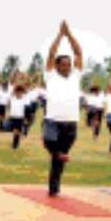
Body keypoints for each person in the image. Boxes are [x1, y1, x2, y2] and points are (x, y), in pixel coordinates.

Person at [42, 20, 83, 197]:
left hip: (71, 122)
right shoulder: (50, 76)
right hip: (53, 121)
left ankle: (54, 189)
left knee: (59, 160)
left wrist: (69, 34)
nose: (66, 67)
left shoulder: (76, 76)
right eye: (63, 64)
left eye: (68, 64)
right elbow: (51, 54)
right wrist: (60, 35)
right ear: (57, 66)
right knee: (49, 142)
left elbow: (78, 52)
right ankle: (58, 153)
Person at [7, 84, 29, 150]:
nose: (19, 93)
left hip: (20, 117)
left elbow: (26, 109)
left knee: (17, 131)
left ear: (22, 92)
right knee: (14, 131)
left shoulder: (24, 99)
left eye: (20, 92)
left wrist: (25, 118)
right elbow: (11, 93)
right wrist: (16, 87)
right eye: (17, 92)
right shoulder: (12, 98)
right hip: (13, 117)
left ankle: (15, 145)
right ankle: (16, 142)